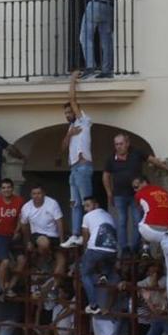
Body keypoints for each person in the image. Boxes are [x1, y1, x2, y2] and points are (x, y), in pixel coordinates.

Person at [99, 133, 168, 254]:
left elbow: (152, 160)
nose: (118, 147)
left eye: (121, 144)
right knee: (122, 222)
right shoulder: (111, 158)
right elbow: (106, 176)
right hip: (119, 194)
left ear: (127, 143)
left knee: (138, 221)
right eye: (116, 144)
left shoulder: (136, 153)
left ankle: (134, 247)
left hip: (137, 194)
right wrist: (109, 193)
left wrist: (166, 167)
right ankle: (124, 248)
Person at [58, 72, 94, 248]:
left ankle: (88, 233)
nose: (67, 114)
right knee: (74, 204)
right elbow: (63, 147)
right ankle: (75, 234)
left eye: (69, 111)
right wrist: (69, 134)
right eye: (65, 113)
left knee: (86, 202)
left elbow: (72, 99)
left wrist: (72, 80)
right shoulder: (71, 128)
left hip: (83, 167)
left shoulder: (83, 121)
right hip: (73, 169)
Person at [0, 179, 26, 298]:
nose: (6, 190)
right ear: (1, 190)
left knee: (22, 260)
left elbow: (20, 218)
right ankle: (2, 288)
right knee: (5, 261)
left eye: (8, 187)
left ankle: (10, 286)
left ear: (12, 188)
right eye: (4, 188)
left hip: (13, 234)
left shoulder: (19, 201)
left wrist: (18, 231)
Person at [79, 197, 118, 315]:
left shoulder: (87, 217)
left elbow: (85, 235)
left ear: (96, 205)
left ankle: (93, 305)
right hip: (112, 249)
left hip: (95, 248)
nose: (86, 209)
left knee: (85, 274)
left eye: (88, 205)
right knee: (106, 260)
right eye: (84, 206)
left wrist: (85, 250)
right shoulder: (108, 215)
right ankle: (104, 275)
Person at [80, 0, 115, 78]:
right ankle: (107, 69)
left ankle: (90, 67)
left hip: (94, 4)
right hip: (109, 6)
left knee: (85, 36)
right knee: (106, 40)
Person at [18, 184, 66, 277]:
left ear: (43, 193)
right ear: (31, 195)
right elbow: (24, 225)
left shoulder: (52, 203)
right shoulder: (26, 207)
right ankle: (48, 260)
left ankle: (54, 288)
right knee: (43, 243)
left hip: (54, 235)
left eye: (39, 193)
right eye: (34, 194)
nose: (36, 196)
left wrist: (62, 241)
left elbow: (59, 222)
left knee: (62, 261)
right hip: (37, 234)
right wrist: (27, 241)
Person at [131, 177, 168, 250]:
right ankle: (160, 251)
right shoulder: (163, 190)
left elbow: (139, 208)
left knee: (141, 219)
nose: (135, 190)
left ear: (144, 183)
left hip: (149, 231)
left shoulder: (139, 194)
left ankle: (145, 249)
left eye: (136, 187)